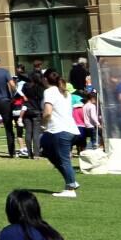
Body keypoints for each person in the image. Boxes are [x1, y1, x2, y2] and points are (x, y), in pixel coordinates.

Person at [41, 69, 80, 198]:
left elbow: (47, 112)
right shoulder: (64, 92)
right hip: (68, 129)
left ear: (45, 79)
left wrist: (43, 124)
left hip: (60, 130)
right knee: (47, 148)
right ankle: (71, 181)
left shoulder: (49, 91)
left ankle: (70, 187)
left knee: (63, 159)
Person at [21, 60, 47, 159]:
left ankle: (29, 153)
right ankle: (36, 153)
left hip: (27, 109)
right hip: (37, 110)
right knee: (36, 133)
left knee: (28, 132)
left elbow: (23, 95)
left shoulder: (26, 86)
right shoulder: (40, 88)